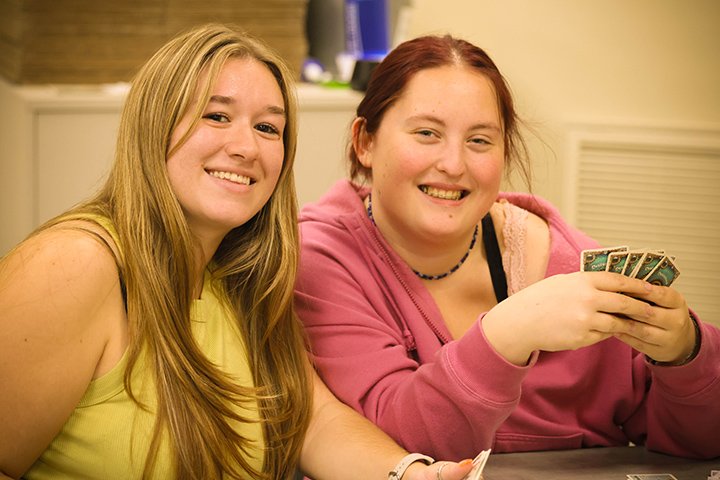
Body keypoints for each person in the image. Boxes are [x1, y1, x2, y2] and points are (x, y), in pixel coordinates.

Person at [0, 24, 475, 480]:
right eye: (217, 116)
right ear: (153, 127)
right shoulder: (75, 264)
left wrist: (407, 474)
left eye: (269, 128)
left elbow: (315, 422)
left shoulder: (243, 278)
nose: (246, 147)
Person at [294, 34, 720, 462]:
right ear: (365, 142)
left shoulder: (563, 259)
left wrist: (685, 354)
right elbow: (398, 451)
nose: (454, 164)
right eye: (427, 133)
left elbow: (700, 440)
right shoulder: (319, 258)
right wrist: (509, 333)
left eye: (479, 141)